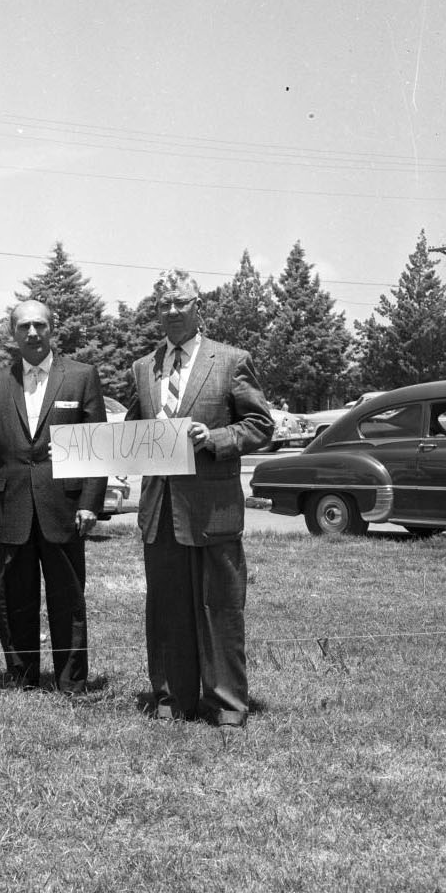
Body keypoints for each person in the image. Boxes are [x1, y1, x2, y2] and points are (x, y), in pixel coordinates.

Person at [125, 276, 274, 727]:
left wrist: (216, 437)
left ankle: (228, 704)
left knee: (221, 607)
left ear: (197, 306)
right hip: (160, 510)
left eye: (180, 302)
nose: (171, 310)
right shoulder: (142, 368)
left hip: (213, 510)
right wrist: (82, 447)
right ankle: (173, 699)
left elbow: (260, 424)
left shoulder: (231, 360)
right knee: (167, 609)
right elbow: (133, 431)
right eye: (163, 303)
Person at [0, 299, 107, 693]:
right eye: (23, 327)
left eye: (39, 325)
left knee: (68, 597)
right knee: (14, 596)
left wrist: (89, 502)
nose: (32, 333)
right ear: (12, 334)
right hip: (11, 506)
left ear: (53, 329)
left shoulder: (81, 377)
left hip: (63, 507)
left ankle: (71, 680)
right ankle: (22, 675)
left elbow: (97, 445)